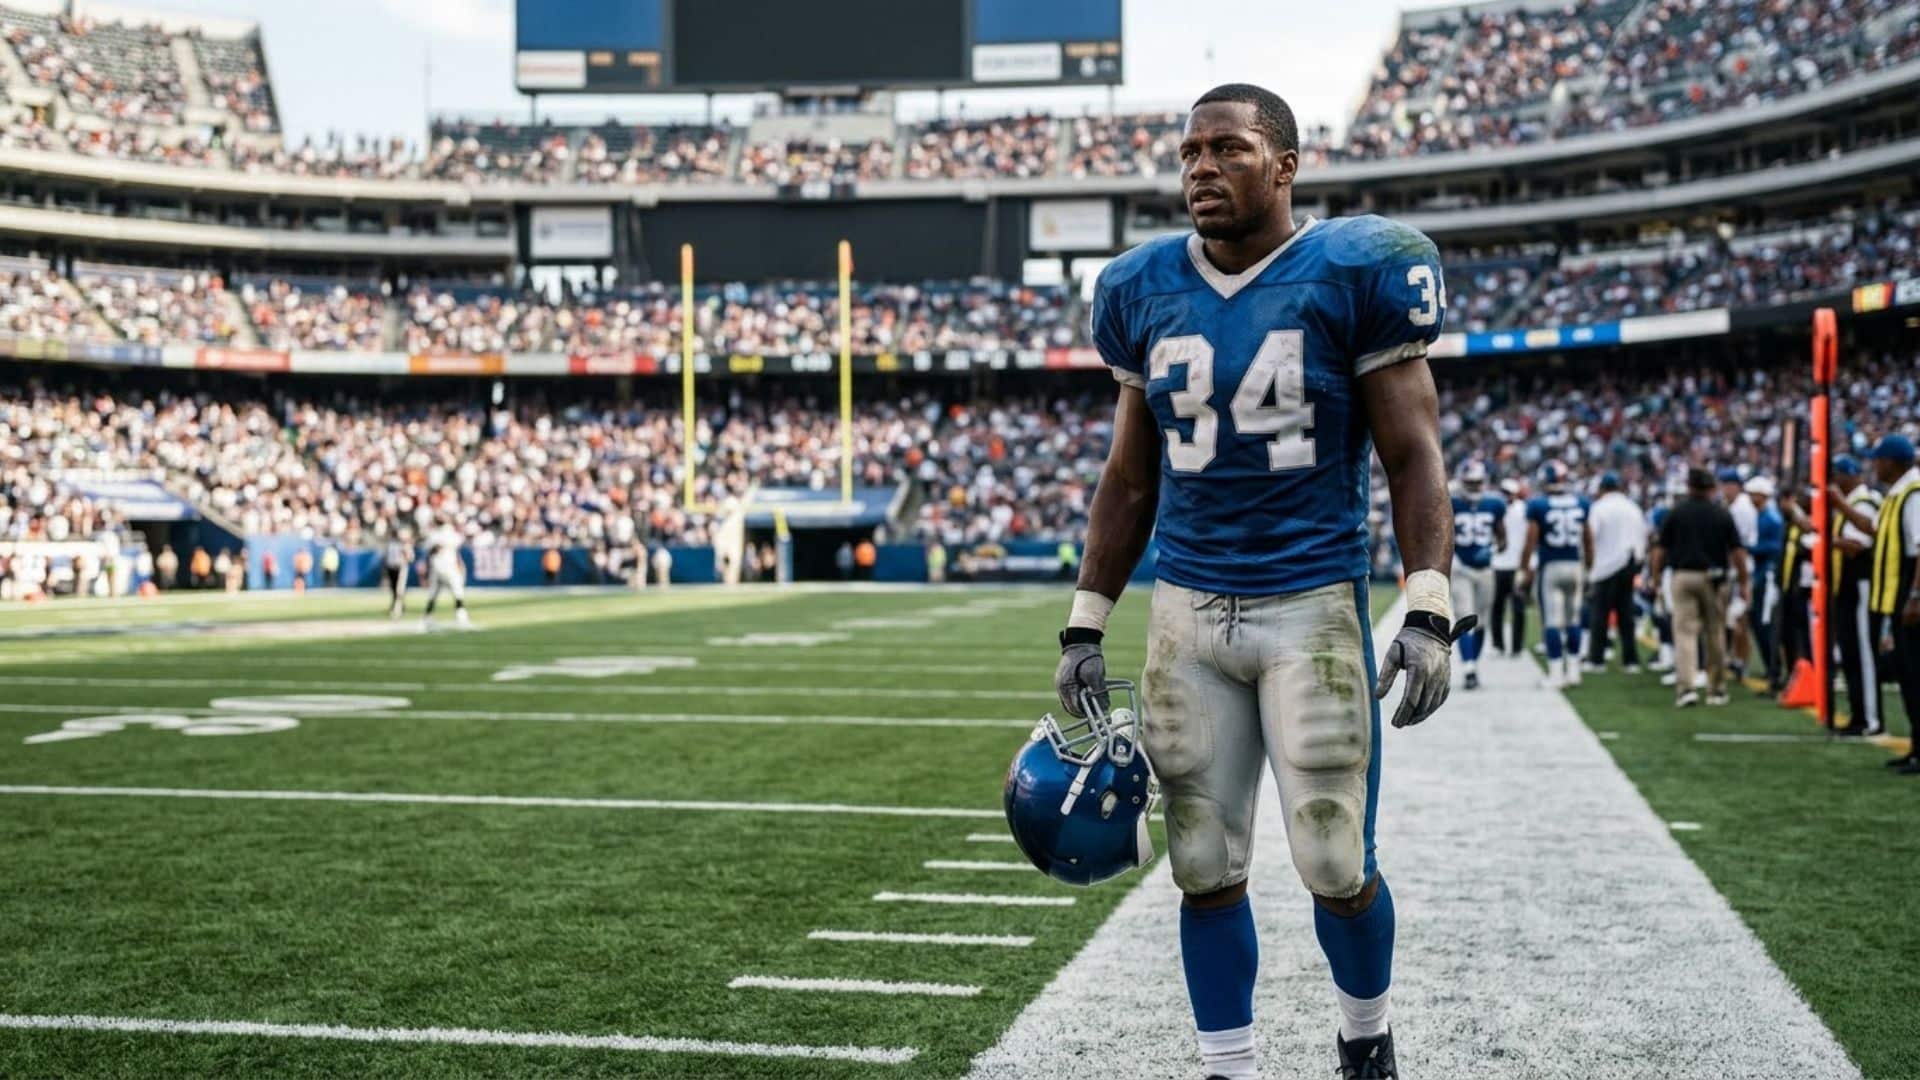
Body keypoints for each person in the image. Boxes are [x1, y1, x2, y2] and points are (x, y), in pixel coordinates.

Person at [1053, 83, 1462, 1080]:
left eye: (1228, 149)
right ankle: (1228, 1064)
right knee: (1201, 861)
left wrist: (1429, 605)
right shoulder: (1141, 287)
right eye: (1190, 150)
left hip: (1311, 606)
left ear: (1284, 166)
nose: (1201, 167)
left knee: (1333, 859)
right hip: (1188, 612)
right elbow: (1129, 476)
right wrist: (1083, 623)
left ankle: (1365, 1037)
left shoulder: (1355, 269)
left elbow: (1414, 456)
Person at [1649, 467, 1749, 707]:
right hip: (1714, 577)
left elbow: (1660, 550)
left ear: (1689, 487)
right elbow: (1737, 551)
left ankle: (1686, 687)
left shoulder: (1676, 513)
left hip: (1683, 575)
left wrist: (1655, 578)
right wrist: (1744, 581)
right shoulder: (1721, 513)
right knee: (1715, 633)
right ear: (1711, 488)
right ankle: (1716, 689)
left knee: (1684, 632)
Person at [1865, 434, 1920, 773]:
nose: (1875, 465)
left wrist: (1915, 597)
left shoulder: (1913, 495)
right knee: (1906, 674)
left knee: (1916, 674)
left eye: (1880, 459)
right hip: (1896, 596)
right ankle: (1916, 747)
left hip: (1909, 596)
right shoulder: (1897, 495)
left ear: (1894, 461)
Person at [1518, 461, 1592, 689]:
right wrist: (1589, 566)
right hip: (1575, 565)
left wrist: (1524, 568)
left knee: (1552, 622)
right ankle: (1574, 671)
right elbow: (1588, 539)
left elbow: (1531, 539)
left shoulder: (1539, 504)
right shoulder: (1581, 502)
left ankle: (1557, 674)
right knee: (1573, 620)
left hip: (1551, 567)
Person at [1828, 456, 1885, 735]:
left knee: (1862, 653)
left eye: (1837, 475)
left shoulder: (1864, 502)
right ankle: (1859, 715)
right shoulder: (1853, 504)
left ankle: (1870, 719)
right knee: (1851, 653)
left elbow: (1857, 545)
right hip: (1849, 587)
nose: (1834, 481)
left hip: (1862, 584)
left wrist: (1823, 541)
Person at [1449, 461, 1506, 689]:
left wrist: (1492, 549)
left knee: (1481, 623)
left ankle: (1473, 663)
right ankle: (1469, 669)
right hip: (1460, 568)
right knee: (1465, 618)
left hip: (1485, 570)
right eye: (1470, 483)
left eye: (1477, 483)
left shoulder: (1494, 504)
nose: (1474, 487)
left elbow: (1503, 538)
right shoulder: (1451, 503)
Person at [1585, 472, 1647, 673]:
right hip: (1629, 563)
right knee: (1626, 614)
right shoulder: (1632, 507)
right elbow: (1642, 536)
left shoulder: (1599, 508)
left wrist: (1589, 564)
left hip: (1605, 565)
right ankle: (1630, 660)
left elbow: (1590, 536)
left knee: (1600, 614)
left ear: (1602, 488)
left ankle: (1597, 659)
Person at [1744, 476, 1786, 690]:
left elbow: (1773, 548)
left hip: (1767, 574)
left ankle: (1774, 669)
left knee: (1764, 622)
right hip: (1762, 572)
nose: (1751, 498)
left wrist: (1749, 549)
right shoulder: (1764, 516)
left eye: (1753, 494)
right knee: (1758, 621)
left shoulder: (1770, 518)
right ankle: (1772, 668)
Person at [1722, 467, 1758, 679]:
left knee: (1739, 619)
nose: (1725, 489)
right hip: (1736, 567)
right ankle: (1736, 659)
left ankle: (1741, 661)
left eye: (1728, 485)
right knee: (1734, 619)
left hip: (1742, 567)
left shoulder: (1741, 508)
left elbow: (1739, 545)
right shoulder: (1734, 505)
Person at [1490, 477, 1529, 656]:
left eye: (1508, 493)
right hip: (1497, 564)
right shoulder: (1494, 508)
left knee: (1518, 608)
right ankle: (1498, 645)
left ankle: (1517, 646)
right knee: (1497, 607)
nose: (1505, 496)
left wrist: (1529, 564)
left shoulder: (1524, 510)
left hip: (1516, 565)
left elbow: (1530, 539)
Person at [422, 520, 470, 630]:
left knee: (433, 593)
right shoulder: (450, 535)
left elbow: (428, 549)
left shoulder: (433, 535)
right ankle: (461, 616)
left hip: (437, 567)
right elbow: (459, 541)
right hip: (448, 568)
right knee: (457, 591)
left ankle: (427, 616)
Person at [384, 531, 413, 618]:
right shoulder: (391, 544)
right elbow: (387, 557)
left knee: (399, 590)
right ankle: (398, 606)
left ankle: (397, 610)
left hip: (401, 568)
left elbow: (409, 557)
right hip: (391, 568)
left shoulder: (404, 544)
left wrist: (404, 556)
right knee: (394, 590)